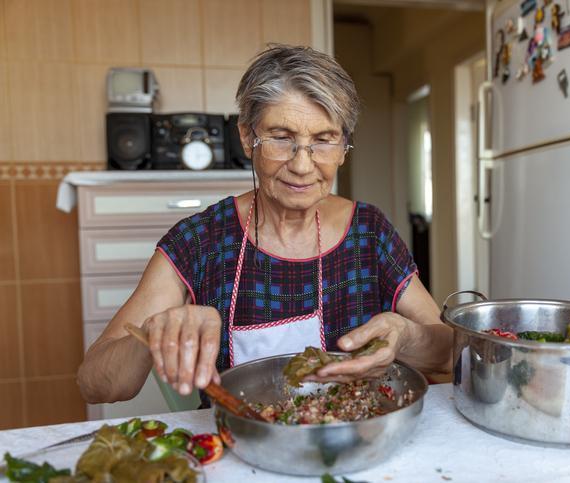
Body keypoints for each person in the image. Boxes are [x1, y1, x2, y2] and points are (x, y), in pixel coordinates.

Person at [77, 45, 452, 404]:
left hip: (354, 441)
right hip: (240, 444)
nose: (302, 165)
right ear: (247, 137)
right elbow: (96, 384)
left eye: (323, 141)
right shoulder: (199, 241)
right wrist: (156, 330)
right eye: (280, 138)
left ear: (343, 148)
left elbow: (453, 355)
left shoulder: (369, 232)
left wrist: (406, 338)